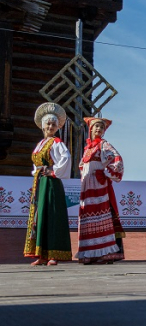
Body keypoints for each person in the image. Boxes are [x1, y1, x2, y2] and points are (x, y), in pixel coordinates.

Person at [24, 103, 72, 266]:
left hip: (51, 184)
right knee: (40, 215)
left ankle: (54, 254)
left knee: (52, 214)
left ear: (57, 127)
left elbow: (65, 159)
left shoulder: (57, 143)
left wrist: (52, 172)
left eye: (53, 124)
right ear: (43, 126)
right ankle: (41, 254)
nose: (50, 126)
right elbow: (36, 166)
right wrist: (37, 174)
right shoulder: (40, 144)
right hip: (40, 183)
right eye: (48, 124)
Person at [76, 117, 125, 265]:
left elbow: (117, 159)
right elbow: (81, 166)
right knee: (88, 216)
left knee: (100, 214)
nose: (98, 129)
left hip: (98, 185)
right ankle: (90, 252)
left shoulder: (104, 145)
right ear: (90, 129)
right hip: (87, 186)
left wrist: (105, 173)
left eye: (101, 128)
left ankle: (106, 252)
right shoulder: (87, 148)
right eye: (96, 126)